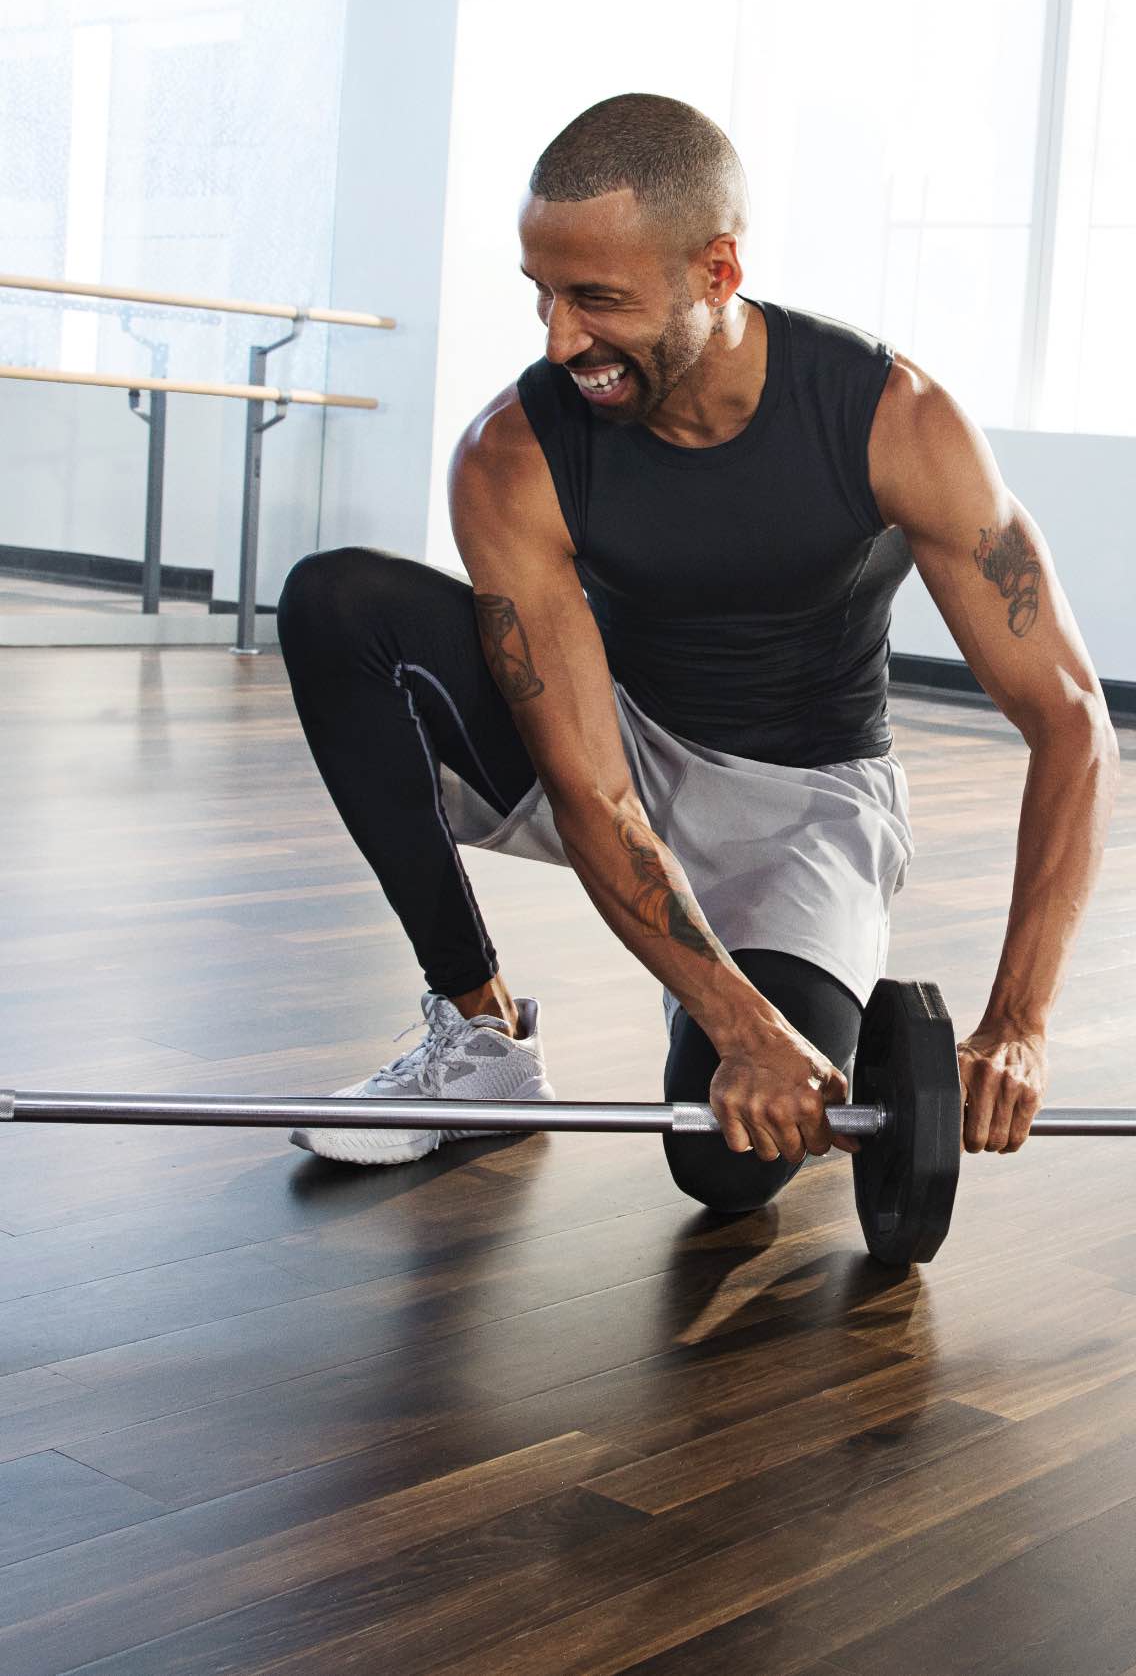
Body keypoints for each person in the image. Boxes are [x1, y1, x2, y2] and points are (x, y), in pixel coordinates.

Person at [275, 93, 1118, 1207]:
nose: (559, 338)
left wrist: (1015, 1023)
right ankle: (481, 1038)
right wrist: (735, 1023)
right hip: (614, 743)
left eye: (597, 299)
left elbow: (1068, 720)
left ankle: (795, 981)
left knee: (722, 1165)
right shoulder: (511, 452)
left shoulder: (890, 420)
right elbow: (589, 784)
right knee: (336, 603)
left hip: (803, 805)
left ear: (716, 271)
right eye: (541, 294)